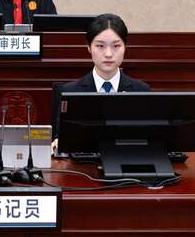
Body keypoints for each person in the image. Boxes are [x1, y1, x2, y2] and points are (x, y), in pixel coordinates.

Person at [52, 13, 150, 146]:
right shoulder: (69, 91)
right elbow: (61, 137)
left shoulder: (141, 91)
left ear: (125, 47)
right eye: (100, 46)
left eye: (116, 46)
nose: (108, 54)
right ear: (88, 47)